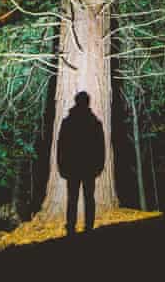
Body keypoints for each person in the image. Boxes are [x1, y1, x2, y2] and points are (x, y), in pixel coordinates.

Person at [57, 91, 105, 235]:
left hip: (72, 167)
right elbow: (100, 147)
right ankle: (88, 226)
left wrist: (61, 165)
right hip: (89, 167)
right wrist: (99, 165)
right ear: (87, 102)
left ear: (76, 102)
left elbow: (61, 146)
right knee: (88, 198)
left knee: (73, 198)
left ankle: (71, 227)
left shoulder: (68, 122)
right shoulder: (94, 122)